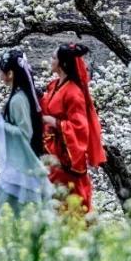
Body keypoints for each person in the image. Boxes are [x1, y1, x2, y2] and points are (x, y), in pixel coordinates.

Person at [0, 49, 54, 218]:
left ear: (10, 73)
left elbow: (24, 133)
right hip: (20, 165)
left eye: (2, 71)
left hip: (20, 167)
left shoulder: (18, 100)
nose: (0, 75)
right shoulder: (22, 95)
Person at [40, 42, 106, 216]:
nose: (50, 60)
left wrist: (54, 122)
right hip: (52, 152)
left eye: (54, 58)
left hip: (66, 157)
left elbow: (79, 127)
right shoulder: (54, 86)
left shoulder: (73, 92)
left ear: (62, 63)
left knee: (68, 203)